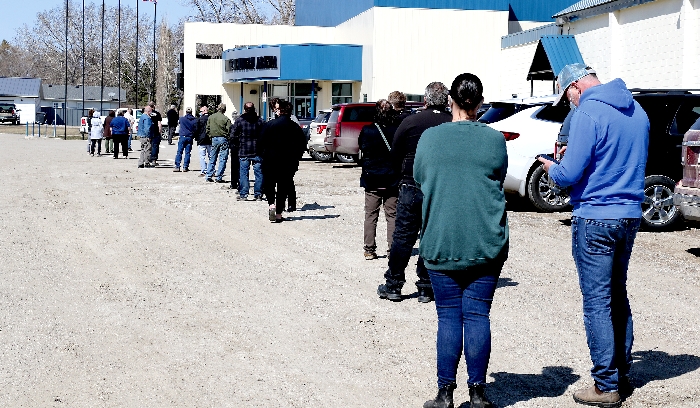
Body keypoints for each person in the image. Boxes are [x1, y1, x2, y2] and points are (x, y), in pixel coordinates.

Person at [538, 63, 649, 408]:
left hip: (595, 216)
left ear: (574, 87)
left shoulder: (588, 112)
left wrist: (550, 166)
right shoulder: (637, 110)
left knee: (598, 301)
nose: (569, 103)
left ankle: (605, 385)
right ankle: (622, 371)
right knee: (618, 294)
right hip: (629, 215)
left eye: (567, 97)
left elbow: (569, 174)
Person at [415, 73, 508, 408]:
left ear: (451, 100)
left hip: (441, 240)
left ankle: (445, 393)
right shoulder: (495, 140)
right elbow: (497, 176)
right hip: (485, 241)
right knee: (478, 316)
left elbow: (420, 178)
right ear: (480, 103)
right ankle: (478, 394)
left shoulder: (429, 138)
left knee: (449, 316)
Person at [377, 82, 452, 303]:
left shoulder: (411, 121)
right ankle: (426, 286)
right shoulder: (452, 123)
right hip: (439, 187)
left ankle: (394, 284)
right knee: (431, 236)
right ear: (446, 100)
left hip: (411, 183)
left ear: (425, 100)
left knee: (403, 237)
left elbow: (395, 153)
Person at [358, 99, 400, 261]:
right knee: (392, 216)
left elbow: (362, 148)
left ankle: (369, 249)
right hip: (392, 178)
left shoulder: (367, 130)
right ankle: (392, 250)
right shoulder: (397, 130)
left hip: (372, 178)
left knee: (370, 215)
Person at [260, 100, 306, 222]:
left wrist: (262, 155)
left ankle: (271, 204)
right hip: (288, 161)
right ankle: (279, 213)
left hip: (270, 159)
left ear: (280, 110)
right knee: (283, 187)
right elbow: (302, 144)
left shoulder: (270, 125)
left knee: (269, 183)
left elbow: (260, 142)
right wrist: (297, 157)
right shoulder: (295, 127)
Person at [231, 102, 264, 200]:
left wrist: (237, 144)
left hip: (244, 150)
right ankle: (258, 194)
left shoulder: (239, 121)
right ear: (254, 109)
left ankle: (244, 194)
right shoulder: (260, 121)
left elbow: (233, 135)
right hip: (257, 150)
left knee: (244, 173)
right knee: (259, 173)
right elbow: (265, 134)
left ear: (244, 109)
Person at [205, 103, 232, 183]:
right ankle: (219, 176)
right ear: (224, 110)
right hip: (223, 139)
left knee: (212, 157)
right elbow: (229, 130)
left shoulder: (211, 117)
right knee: (222, 159)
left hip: (214, 138)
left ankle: (209, 175)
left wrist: (211, 136)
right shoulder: (226, 119)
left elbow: (207, 129)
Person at [173, 107, 197, 172]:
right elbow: (195, 129)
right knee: (188, 153)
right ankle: (185, 167)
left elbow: (179, 124)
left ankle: (177, 166)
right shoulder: (194, 120)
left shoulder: (182, 119)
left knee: (179, 152)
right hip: (190, 137)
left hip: (183, 136)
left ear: (186, 112)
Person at [195, 106, 211, 177]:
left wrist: (196, 138)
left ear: (204, 111)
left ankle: (204, 170)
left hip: (201, 140)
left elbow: (196, 130)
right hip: (210, 140)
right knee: (211, 156)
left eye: (201, 111)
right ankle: (211, 170)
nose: (200, 112)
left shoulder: (199, 120)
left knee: (202, 156)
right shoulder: (211, 119)